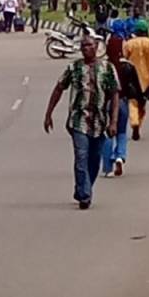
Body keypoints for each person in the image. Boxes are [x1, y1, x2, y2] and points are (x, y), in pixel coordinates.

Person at [44, 35, 120, 210]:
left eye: (89, 45)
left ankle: (83, 188)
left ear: (96, 47)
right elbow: (59, 88)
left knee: (94, 160)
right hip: (78, 121)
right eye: (83, 46)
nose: (86, 49)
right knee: (81, 156)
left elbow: (115, 93)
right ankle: (85, 195)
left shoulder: (107, 68)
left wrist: (113, 121)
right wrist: (49, 113)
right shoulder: (74, 68)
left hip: (100, 121)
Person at [102, 47, 143, 178]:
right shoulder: (128, 66)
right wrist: (140, 101)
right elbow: (136, 86)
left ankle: (108, 168)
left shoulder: (103, 67)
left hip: (107, 102)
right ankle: (120, 156)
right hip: (123, 102)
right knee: (121, 132)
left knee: (108, 134)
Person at [123, 19, 149, 140]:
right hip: (146, 80)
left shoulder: (129, 44)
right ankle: (138, 123)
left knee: (132, 102)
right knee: (142, 106)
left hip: (131, 79)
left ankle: (134, 123)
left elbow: (124, 61)